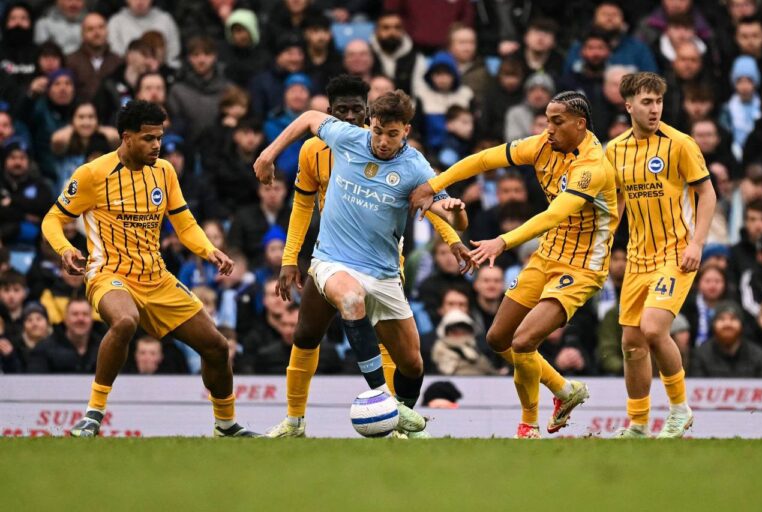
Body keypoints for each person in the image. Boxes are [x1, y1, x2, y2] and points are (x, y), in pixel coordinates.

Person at [259, 75, 468, 438]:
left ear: (405, 130)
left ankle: (398, 420)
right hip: (332, 261)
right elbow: (307, 126)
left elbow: (438, 208)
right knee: (315, 327)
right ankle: (306, 418)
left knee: (411, 362)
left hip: (385, 269)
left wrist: (455, 223)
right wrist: (267, 154)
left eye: (391, 134)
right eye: (376, 131)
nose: (382, 141)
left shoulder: (416, 167)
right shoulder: (339, 141)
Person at [40, 100, 257, 437]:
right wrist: (66, 248)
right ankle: (93, 416)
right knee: (126, 321)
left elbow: (184, 223)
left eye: (159, 138)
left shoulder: (165, 171)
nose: (157, 145)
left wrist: (209, 249)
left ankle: (226, 425)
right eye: (148, 138)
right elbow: (53, 218)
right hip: (109, 273)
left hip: (156, 278)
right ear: (126, 137)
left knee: (216, 347)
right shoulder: (92, 174)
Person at [411, 90, 617, 438]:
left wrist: (502, 242)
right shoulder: (541, 145)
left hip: (582, 267)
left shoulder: (592, 167)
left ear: (580, 124)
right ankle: (566, 391)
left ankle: (528, 425)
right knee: (497, 338)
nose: (547, 128)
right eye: (546, 120)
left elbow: (554, 214)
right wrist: (434, 184)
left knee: (523, 342)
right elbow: (483, 160)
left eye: (557, 122)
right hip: (547, 256)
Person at [604, 72, 716, 438]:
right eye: (647, 102)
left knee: (653, 328)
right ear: (629, 105)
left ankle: (680, 409)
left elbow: (707, 194)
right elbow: (616, 200)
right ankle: (638, 425)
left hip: (675, 254)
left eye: (659, 102)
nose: (654, 110)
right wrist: (604, 243)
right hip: (637, 258)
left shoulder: (680, 143)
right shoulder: (614, 150)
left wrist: (697, 243)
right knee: (632, 345)